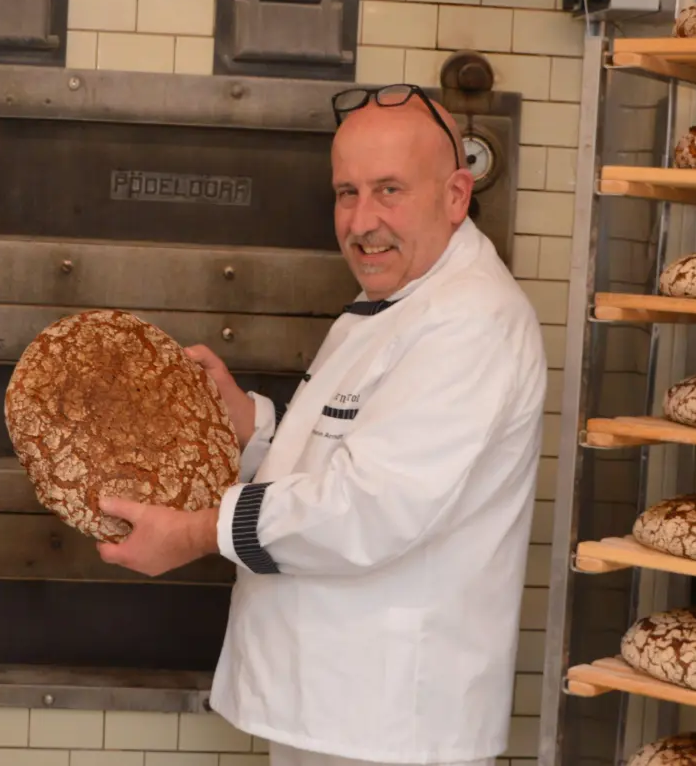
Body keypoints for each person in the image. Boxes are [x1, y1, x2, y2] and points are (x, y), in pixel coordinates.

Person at [97, 86, 547, 766]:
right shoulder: (399, 298)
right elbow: (346, 458)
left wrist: (194, 533)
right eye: (346, 193)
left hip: (391, 723)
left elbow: (370, 508)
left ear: (456, 195)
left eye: (389, 190)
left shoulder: (470, 322)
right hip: (343, 710)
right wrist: (250, 429)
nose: (362, 221)